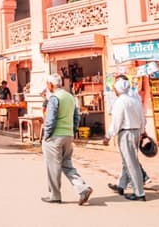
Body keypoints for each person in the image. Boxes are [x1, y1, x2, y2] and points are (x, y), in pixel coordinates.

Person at [41, 73, 93, 205]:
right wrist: (72, 131)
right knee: (67, 165)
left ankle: (55, 195)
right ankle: (82, 188)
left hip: (55, 137)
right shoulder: (70, 97)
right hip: (68, 135)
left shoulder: (54, 98)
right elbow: (77, 116)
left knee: (53, 167)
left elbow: (50, 119)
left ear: (51, 85)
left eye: (47, 84)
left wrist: (46, 135)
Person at [103, 77, 146, 201]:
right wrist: (142, 132)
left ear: (118, 90)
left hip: (126, 134)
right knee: (129, 162)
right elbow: (142, 119)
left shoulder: (120, 102)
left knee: (131, 164)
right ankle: (123, 186)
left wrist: (108, 136)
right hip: (136, 132)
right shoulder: (135, 101)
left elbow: (116, 122)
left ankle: (139, 193)